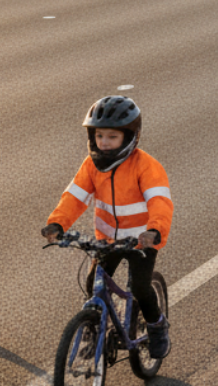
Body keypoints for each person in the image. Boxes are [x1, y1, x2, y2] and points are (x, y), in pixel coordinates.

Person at [42, 95, 174, 359]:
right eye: (99, 135)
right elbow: (75, 197)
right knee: (94, 284)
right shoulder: (92, 165)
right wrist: (57, 222)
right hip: (108, 240)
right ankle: (95, 327)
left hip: (141, 241)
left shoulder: (146, 166)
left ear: (129, 138)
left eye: (112, 137)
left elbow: (160, 202)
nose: (104, 142)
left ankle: (157, 326)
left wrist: (155, 230)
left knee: (139, 287)